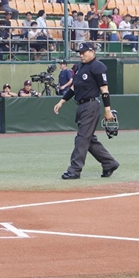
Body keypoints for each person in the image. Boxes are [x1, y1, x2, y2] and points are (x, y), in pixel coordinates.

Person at [54, 43, 119, 180]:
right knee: (88, 139)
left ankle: (74, 169)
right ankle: (109, 163)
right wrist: (62, 101)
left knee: (82, 138)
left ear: (92, 51)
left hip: (91, 105)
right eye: (80, 52)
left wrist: (107, 110)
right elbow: (73, 88)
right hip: (81, 106)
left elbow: (104, 90)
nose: (81, 55)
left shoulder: (98, 67)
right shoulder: (80, 67)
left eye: (84, 52)